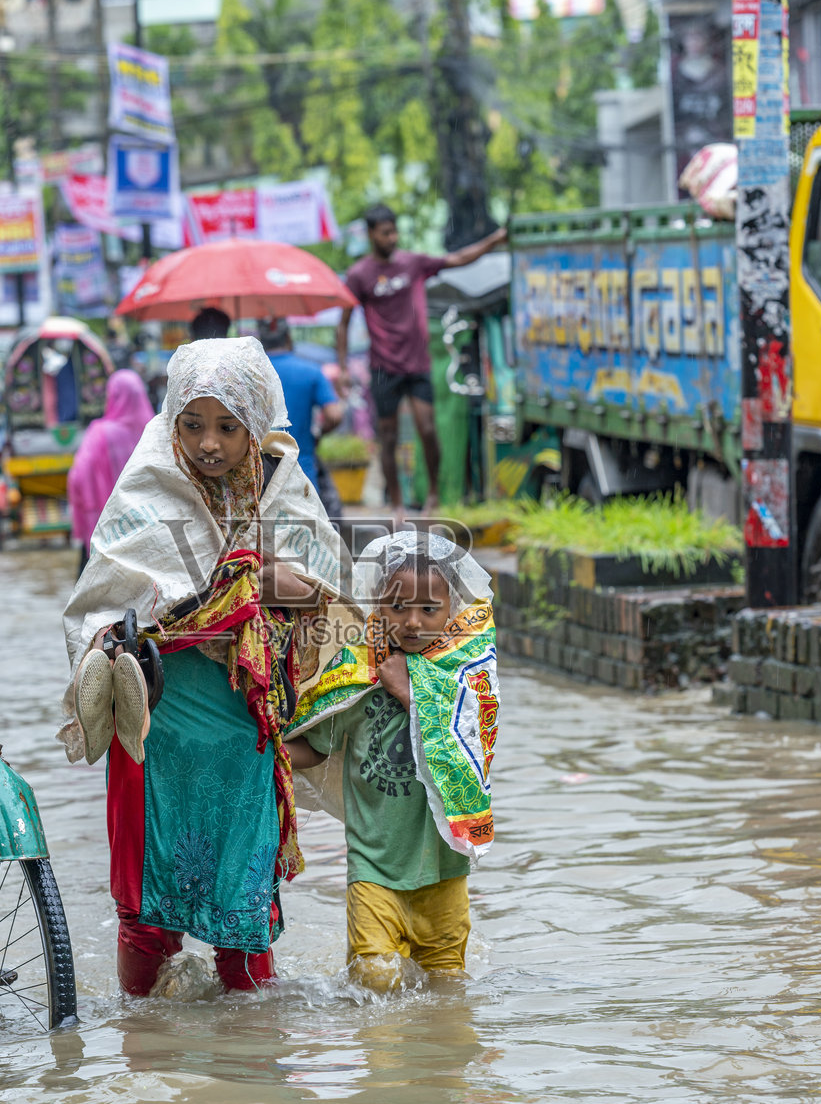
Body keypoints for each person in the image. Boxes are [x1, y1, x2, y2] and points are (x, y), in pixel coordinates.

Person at [60, 337, 352, 996]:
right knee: (147, 910)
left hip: (242, 731)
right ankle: (147, 1047)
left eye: (227, 426)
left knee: (243, 910)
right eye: (192, 426)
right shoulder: (146, 492)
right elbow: (99, 606)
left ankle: (253, 1061)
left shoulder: (283, 491)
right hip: (156, 727)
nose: (209, 443)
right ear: (170, 423)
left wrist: (273, 582)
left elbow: (328, 595)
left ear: (258, 424)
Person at [286, 531, 499, 992]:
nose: (413, 622)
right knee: (374, 983)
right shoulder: (355, 675)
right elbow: (316, 747)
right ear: (377, 610)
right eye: (398, 608)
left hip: (445, 872)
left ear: (453, 612)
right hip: (374, 870)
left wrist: (407, 692)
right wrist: (267, 752)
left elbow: (465, 750)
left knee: (447, 996)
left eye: (429, 609)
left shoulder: (464, 684)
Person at [340, 204, 508, 513]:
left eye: (394, 231)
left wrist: (494, 242)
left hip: (417, 364)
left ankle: (433, 492)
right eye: (385, 232)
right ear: (371, 234)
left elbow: (457, 259)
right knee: (387, 437)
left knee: (427, 430)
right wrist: (341, 368)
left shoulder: (412, 263)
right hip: (383, 367)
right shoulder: (359, 274)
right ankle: (398, 504)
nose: (392, 238)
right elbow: (344, 321)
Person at [67, 369, 153, 572]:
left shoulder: (99, 435)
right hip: (149, 533)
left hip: (106, 532)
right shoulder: (155, 430)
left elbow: (78, 477)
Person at [256, 316, 343, 491]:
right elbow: (335, 415)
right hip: (301, 472)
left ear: (260, 340)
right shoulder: (311, 371)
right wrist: (317, 434)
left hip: (259, 473)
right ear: (288, 337)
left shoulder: (253, 373)